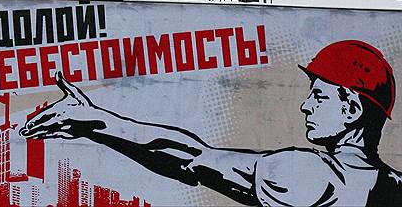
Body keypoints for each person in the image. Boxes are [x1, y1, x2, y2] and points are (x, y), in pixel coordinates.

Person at [20, 40, 401, 206]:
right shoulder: (395, 185)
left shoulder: (306, 175)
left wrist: (97, 122)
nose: (305, 106)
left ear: (351, 109)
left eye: (319, 96)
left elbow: (189, 157)